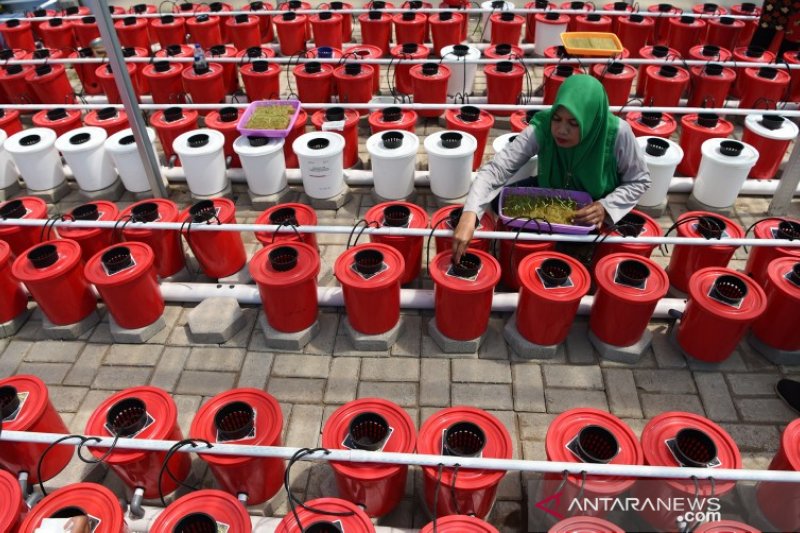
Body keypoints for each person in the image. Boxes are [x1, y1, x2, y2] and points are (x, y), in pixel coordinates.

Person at [451, 74, 651, 263]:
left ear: (592, 120)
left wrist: (606, 207)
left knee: (575, 246)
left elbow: (639, 180)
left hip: (589, 208)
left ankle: (572, 247)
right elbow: (497, 170)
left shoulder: (617, 133)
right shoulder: (543, 126)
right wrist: (469, 216)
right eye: (557, 119)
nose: (561, 130)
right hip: (551, 190)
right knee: (498, 202)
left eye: (573, 123)